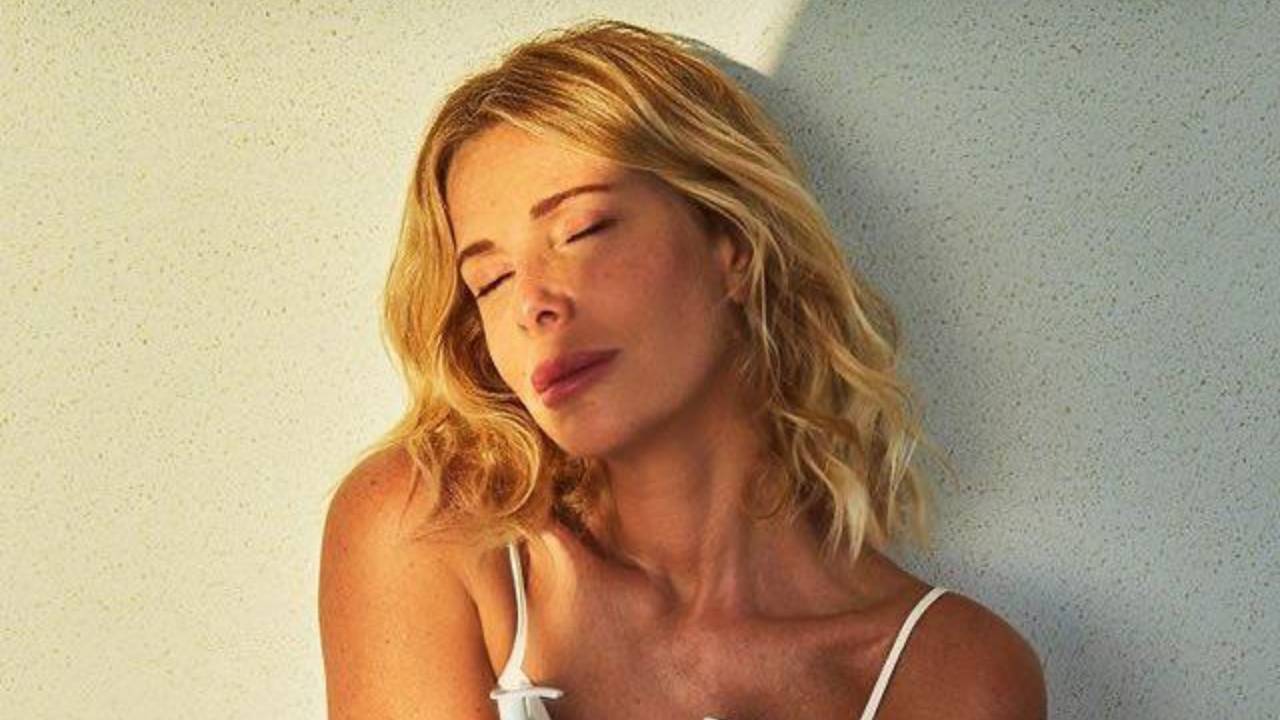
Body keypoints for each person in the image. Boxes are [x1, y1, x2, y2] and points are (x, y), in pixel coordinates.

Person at [318, 18, 1046, 720]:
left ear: (733, 245)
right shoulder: (431, 532)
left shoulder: (950, 672)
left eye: (583, 230)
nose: (531, 304)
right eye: (491, 280)